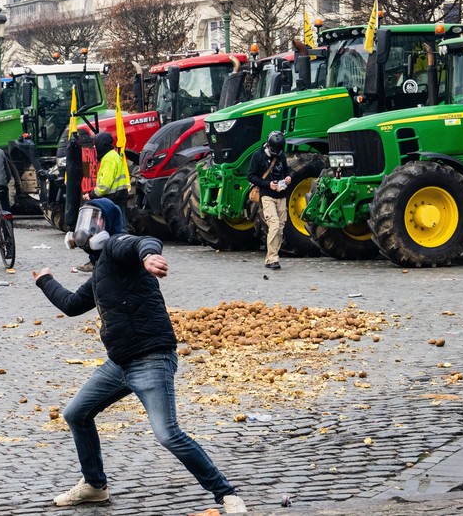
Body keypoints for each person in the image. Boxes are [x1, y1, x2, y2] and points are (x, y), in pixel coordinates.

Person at [30, 199, 247, 514]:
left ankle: (226, 494)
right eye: (84, 218)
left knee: (167, 434)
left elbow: (143, 242)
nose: (87, 226)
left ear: (110, 224)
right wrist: (45, 281)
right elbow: (73, 304)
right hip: (120, 363)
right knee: (76, 414)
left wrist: (148, 257)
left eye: (96, 219)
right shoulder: (102, 269)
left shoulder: (118, 245)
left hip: (151, 358)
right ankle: (94, 486)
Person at [76, 131, 130, 272]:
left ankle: (97, 262)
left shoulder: (108, 159)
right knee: (119, 231)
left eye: (96, 145)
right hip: (118, 198)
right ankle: (119, 260)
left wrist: (91, 195)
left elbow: (104, 186)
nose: (95, 148)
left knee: (102, 232)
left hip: (111, 200)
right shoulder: (114, 156)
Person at [247, 130, 292, 270]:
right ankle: (272, 259)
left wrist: (288, 178)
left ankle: (272, 257)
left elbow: (287, 170)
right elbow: (251, 176)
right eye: (274, 151)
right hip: (267, 195)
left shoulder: (281, 156)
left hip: (281, 195)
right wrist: (268, 184)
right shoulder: (258, 156)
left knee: (281, 227)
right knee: (274, 224)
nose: (276, 154)